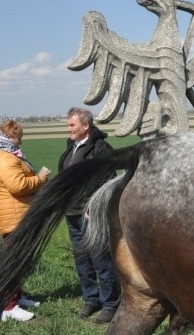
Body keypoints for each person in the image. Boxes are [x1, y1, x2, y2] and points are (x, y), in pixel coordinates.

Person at [57, 107, 120, 324]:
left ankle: (111, 304)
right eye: (68, 125)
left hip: (90, 214)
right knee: (82, 260)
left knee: (100, 259)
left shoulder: (101, 149)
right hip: (72, 213)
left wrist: (95, 208)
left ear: (86, 126)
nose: (69, 129)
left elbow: (110, 181)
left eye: (72, 125)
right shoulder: (71, 148)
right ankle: (91, 299)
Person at [0, 120, 49, 322]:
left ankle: (17, 297)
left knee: (18, 260)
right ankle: (9, 307)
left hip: (13, 214)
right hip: (13, 216)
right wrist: (40, 178)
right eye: (18, 137)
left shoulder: (1, 153)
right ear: (9, 137)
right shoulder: (6, 158)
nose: (20, 141)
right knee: (13, 262)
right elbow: (18, 185)